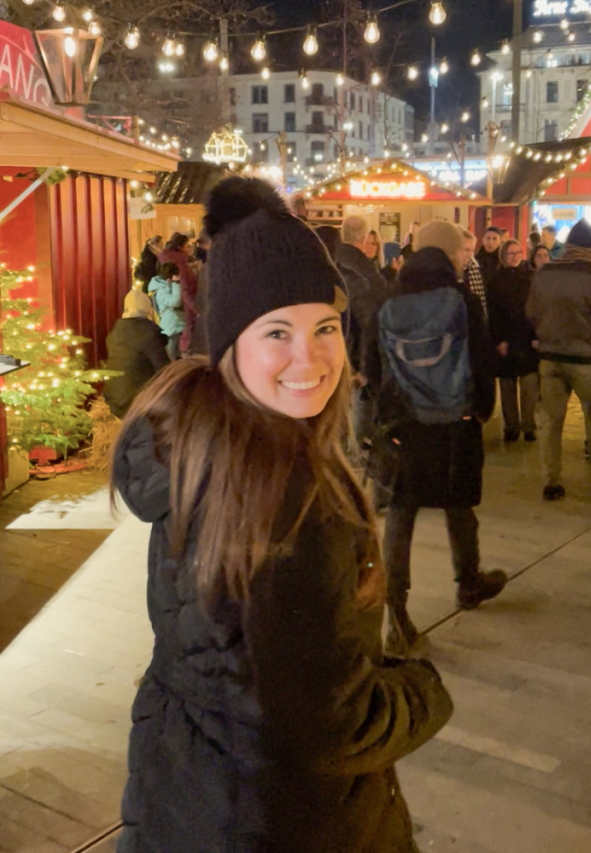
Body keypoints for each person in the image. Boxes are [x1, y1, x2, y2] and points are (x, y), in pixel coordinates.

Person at [111, 177, 453, 853]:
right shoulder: (292, 504)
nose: (311, 356)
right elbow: (334, 726)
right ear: (230, 343)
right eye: (277, 332)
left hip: (187, 795)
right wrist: (422, 690)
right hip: (285, 823)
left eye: (324, 327)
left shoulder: (197, 448)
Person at [364, 220, 506, 657]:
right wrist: (481, 409)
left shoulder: (386, 300)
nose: (466, 257)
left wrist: (389, 413)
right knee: (459, 504)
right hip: (455, 422)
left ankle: (396, 615)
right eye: (461, 251)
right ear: (445, 255)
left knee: (401, 515)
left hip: (405, 427)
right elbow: (481, 360)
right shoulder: (461, 299)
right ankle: (469, 582)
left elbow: (371, 367)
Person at [526, 219, 591, 501]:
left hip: (550, 357)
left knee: (551, 422)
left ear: (568, 244)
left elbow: (531, 312)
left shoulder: (545, 272)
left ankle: (551, 482)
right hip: (587, 359)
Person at [487, 238, 539, 442]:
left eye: (518, 252)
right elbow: (492, 313)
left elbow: (537, 309)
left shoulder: (530, 277)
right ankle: (511, 426)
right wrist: (498, 339)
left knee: (529, 386)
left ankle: (528, 425)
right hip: (506, 338)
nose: (515, 256)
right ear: (503, 256)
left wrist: (536, 336)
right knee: (507, 387)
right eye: (511, 253)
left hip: (527, 338)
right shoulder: (495, 280)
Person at [102, 290, 169, 418]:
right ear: (148, 308)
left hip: (114, 401)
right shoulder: (149, 334)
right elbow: (165, 370)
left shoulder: (115, 333)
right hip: (138, 405)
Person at [335, 214, 387, 374]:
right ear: (364, 238)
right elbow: (372, 322)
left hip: (332, 349)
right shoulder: (368, 272)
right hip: (356, 360)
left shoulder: (329, 261)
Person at [158, 233, 198, 355]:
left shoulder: (170, 259)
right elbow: (184, 290)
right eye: (188, 246)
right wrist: (196, 308)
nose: (191, 249)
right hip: (183, 310)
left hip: (175, 313)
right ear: (180, 248)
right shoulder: (181, 263)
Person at [148, 262, 185, 360]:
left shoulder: (167, 287)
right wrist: (176, 284)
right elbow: (175, 301)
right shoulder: (161, 290)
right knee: (170, 356)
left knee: (178, 356)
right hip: (170, 326)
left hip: (176, 324)